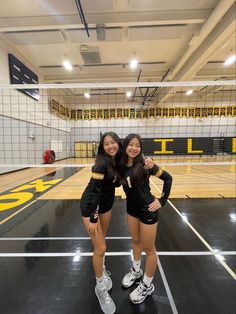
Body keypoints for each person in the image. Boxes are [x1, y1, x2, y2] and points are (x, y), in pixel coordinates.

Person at [80, 132, 154, 314]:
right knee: (100, 248)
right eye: (106, 144)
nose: (111, 146)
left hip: (106, 206)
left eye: (114, 142)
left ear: (118, 145)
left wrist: (148, 160)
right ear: (102, 147)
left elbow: (134, 157)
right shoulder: (101, 163)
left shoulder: (119, 161)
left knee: (101, 241)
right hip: (91, 206)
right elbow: (95, 192)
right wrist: (93, 218)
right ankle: (100, 288)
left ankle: (102, 270)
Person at [119, 133, 172, 304]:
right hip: (131, 209)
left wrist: (162, 200)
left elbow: (168, 178)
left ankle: (147, 286)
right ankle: (136, 271)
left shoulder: (146, 163)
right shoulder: (119, 164)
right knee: (135, 241)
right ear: (125, 146)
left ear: (141, 148)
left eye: (138, 145)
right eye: (131, 144)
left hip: (148, 209)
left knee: (149, 249)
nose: (134, 148)